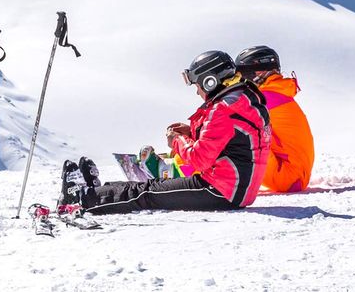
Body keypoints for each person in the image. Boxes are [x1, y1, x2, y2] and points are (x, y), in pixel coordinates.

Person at [59, 50, 271, 215]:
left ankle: (81, 199)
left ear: (210, 81)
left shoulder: (223, 108)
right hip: (234, 188)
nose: (197, 91)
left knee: (147, 193)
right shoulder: (244, 99)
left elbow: (199, 159)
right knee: (150, 186)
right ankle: (94, 191)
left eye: (198, 85)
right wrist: (192, 131)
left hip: (221, 191)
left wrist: (177, 140)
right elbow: (230, 140)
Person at [235, 45, 314, 193]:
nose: (241, 81)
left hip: (287, 177)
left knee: (233, 136)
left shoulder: (266, 98)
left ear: (258, 71)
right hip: (293, 175)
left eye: (243, 74)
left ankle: (195, 176)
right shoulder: (276, 93)